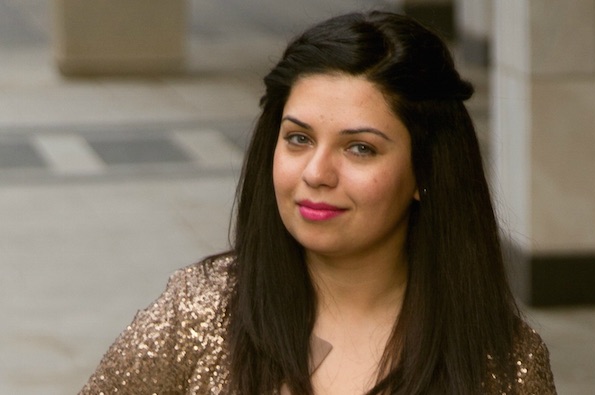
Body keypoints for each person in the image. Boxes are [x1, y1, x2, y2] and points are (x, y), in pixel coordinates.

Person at [80, 10, 556, 395]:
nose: (316, 173)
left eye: (360, 148)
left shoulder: (503, 363)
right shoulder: (196, 314)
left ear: (426, 171)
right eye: (299, 139)